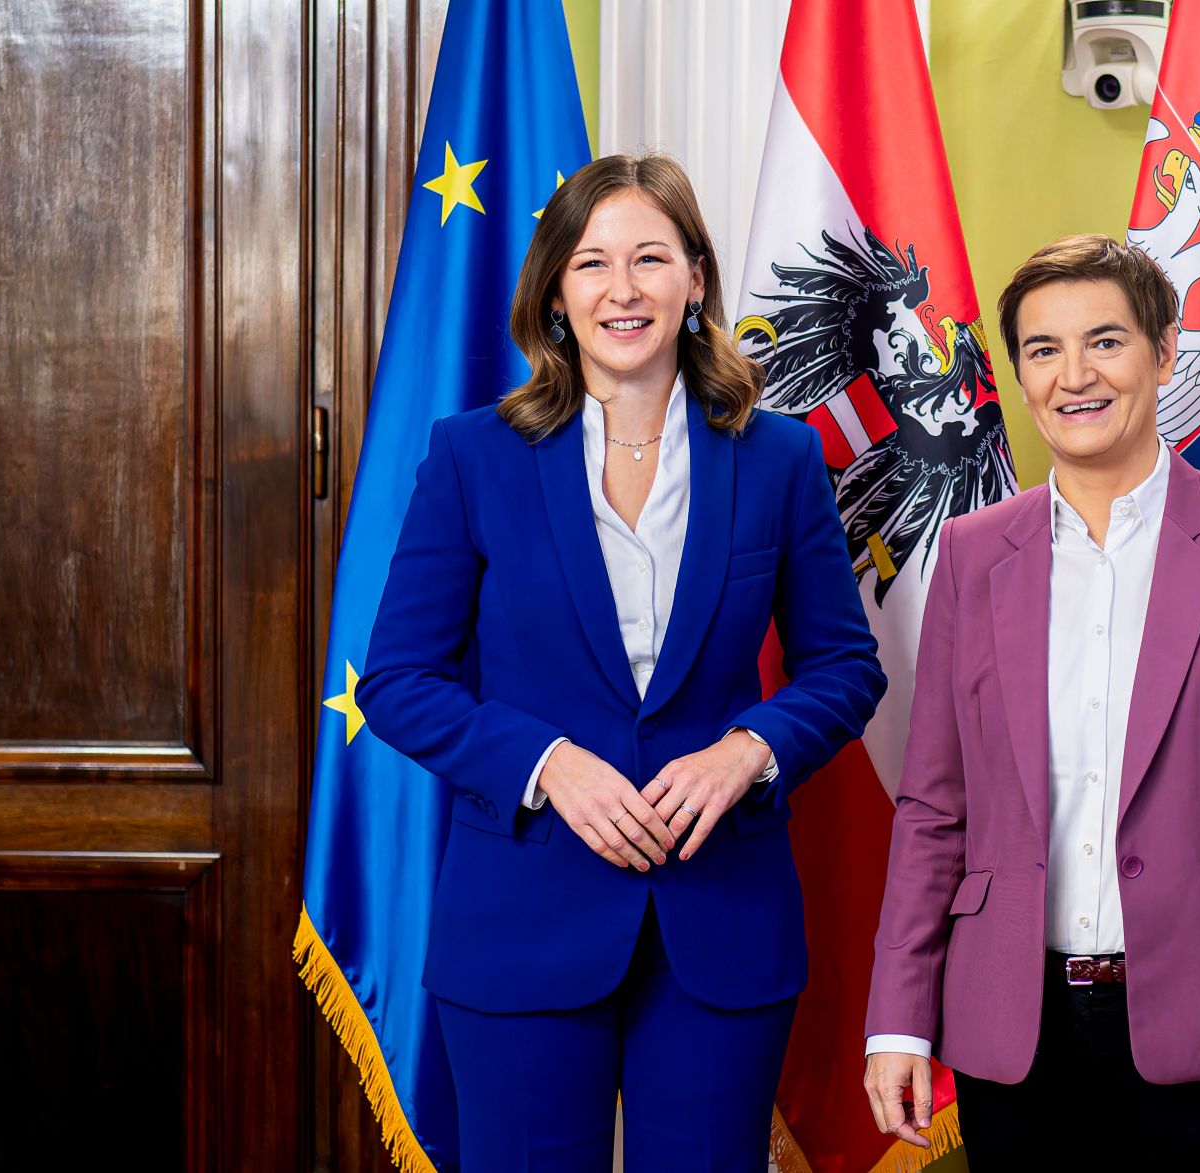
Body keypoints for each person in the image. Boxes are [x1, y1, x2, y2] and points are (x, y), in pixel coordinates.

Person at [356, 152, 886, 1173]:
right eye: (593, 263)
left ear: (694, 280)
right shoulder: (474, 456)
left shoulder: (775, 457)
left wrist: (748, 751)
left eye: (651, 258)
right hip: (521, 917)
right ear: (556, 292)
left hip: (719, 917)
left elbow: (842, 668)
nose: (623, 288)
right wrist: (547, 764)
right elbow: (399, 680)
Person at [861, 235, 1200, 1169]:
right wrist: (898, 1018)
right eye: (1042, 350)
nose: (1073, 375)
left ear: (1165, 352)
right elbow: (934, 809)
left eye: (1106, 342)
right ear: (1016, 373)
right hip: (1015, 1035)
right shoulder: (970, 554)